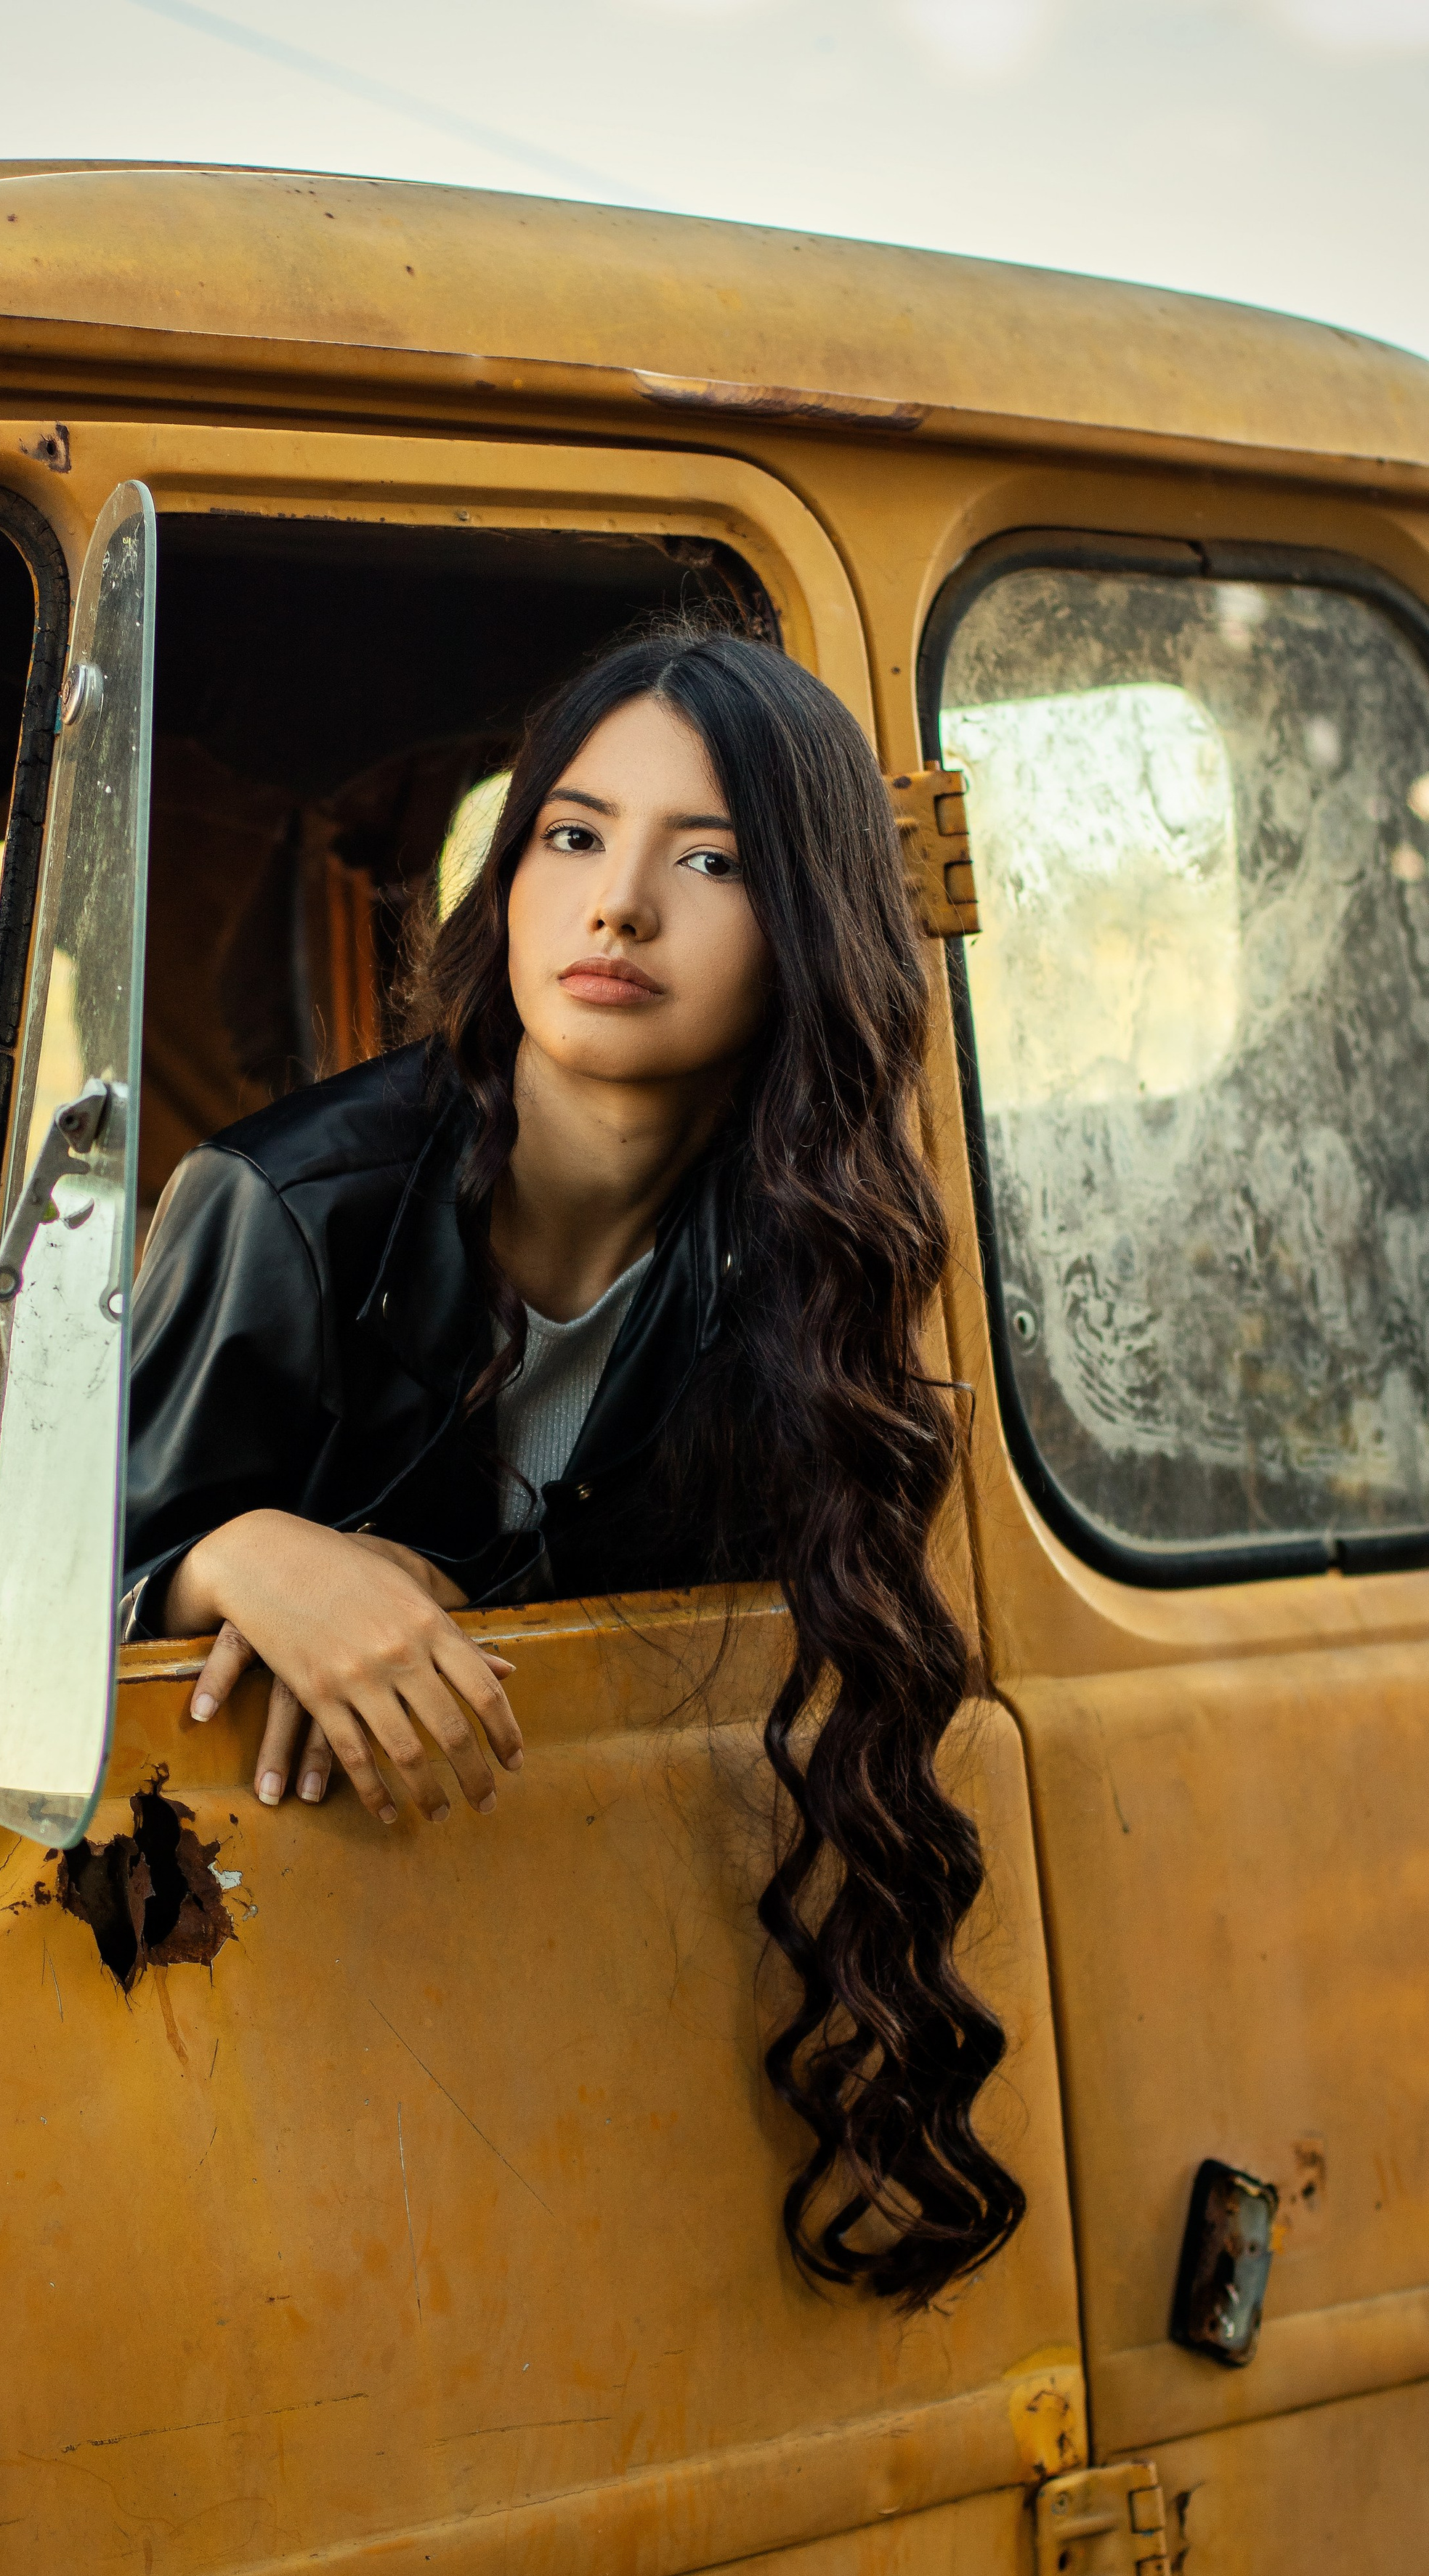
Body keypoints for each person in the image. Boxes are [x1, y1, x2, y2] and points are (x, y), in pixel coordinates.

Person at [124, 624, 1024, 2305]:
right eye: (571, 835)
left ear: (812, 925)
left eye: (712, 860)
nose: (619, 906)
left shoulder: (806, 1261)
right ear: (510, 878)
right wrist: (230, 1551)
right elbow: (8, 1619)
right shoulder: (278, 1206)